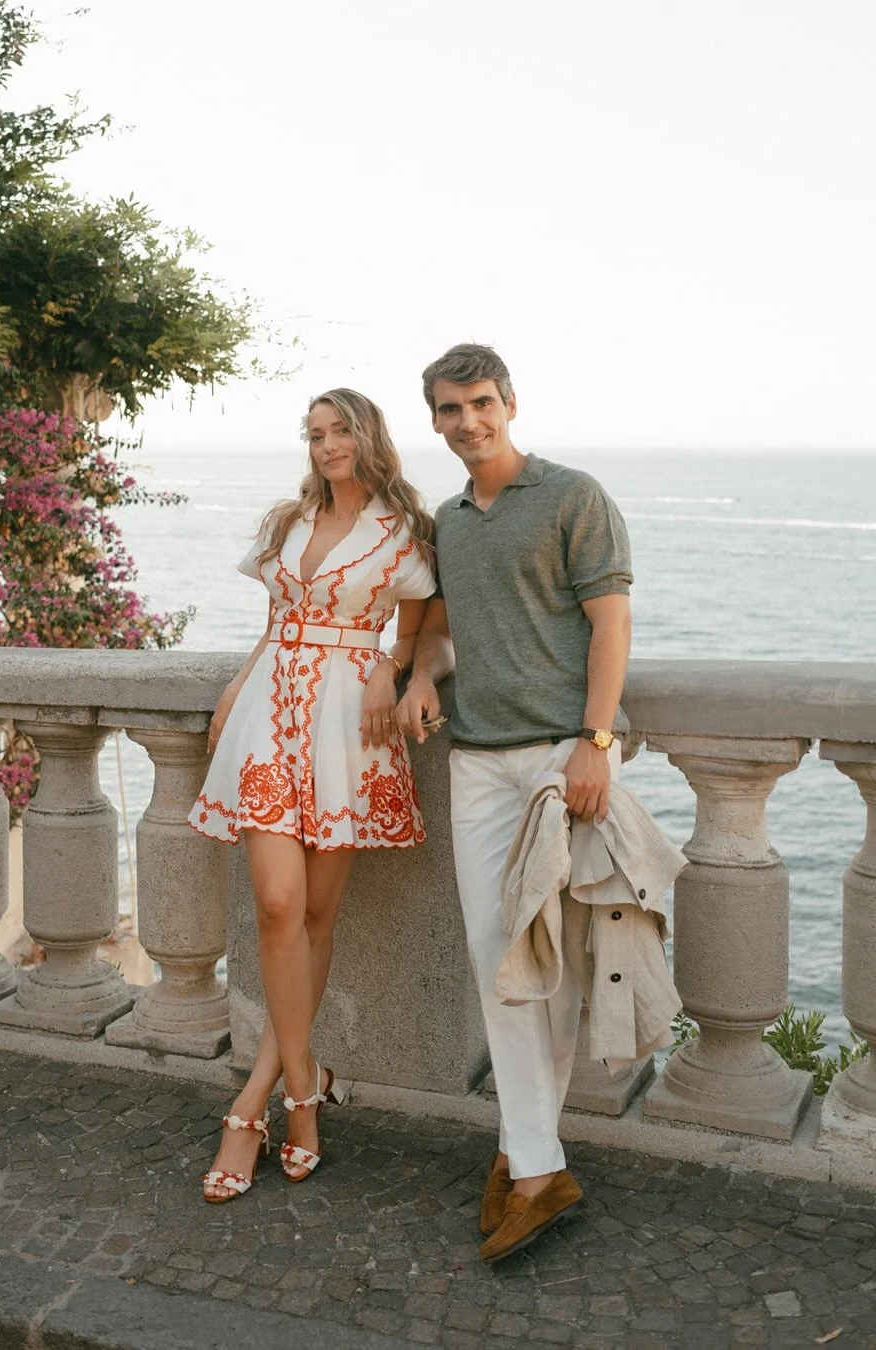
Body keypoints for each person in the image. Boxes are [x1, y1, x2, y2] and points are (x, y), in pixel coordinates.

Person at [396, 343, 634, 1262]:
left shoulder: (573, 497)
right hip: (478, 762)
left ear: (511, 403)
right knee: (497, 952)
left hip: (556, 762)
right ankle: (533, 1159)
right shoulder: (450, 522)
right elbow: (450, 631)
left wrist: (595, 743)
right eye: (451, 409)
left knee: (559, 961)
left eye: (482, 403)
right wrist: (421, 673)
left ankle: (527, 1157)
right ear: (435, 420)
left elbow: (611, 622)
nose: (469, 422)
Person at [188, 388, 436, 1203]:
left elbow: (424, 626)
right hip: (270, 708)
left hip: (344, 726)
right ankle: (302, 1089)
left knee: (316, 918)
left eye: (341, 431)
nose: (328, 445)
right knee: (276, 904)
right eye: (317, 434)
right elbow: (273, 621)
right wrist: (234, 688)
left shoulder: (405, 530)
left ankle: (261, 1101)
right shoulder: (286, 522)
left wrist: (388, 669)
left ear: (369, 437)